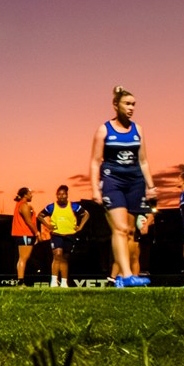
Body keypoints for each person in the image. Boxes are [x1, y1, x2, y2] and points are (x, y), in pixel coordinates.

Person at [91, 85, 155, 287]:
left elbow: (143, 161)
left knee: (128, 231)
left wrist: (151, 186)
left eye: (133, 104)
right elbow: (95, 161)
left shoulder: (138, 130)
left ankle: (122, 278)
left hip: (135, 183)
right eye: (127, 103)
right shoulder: (104, 129)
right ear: (115, 105)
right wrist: (95, 188)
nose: (131, 108)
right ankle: (126, 276)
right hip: (112, 182)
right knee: (119, 228)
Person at [39, 185, 88, 288]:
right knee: (57, 254)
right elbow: (40, 215)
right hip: (57, 234)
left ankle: (64, 282)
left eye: (63, 194)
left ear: (67, 195)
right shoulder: (51, 207)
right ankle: (53, 281)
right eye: (59, 194)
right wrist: (47, 225)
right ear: (56, 195)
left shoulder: (73, 206)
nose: (61, 196)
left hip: (70, 235)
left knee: (65, 258)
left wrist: (80, 227)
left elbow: (86, 214)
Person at [11, 188, 39, 286]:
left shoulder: (20, 205)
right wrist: (37, 232)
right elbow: (28, 221)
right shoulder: (24, 206)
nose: (32, 195)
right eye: (30, 193)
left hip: (23, 234)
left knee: (23, 257)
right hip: (25, 234)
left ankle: (20, 280)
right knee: (23, 257)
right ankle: (20, 281)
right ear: (25, 195)